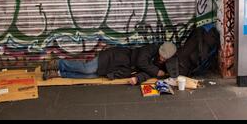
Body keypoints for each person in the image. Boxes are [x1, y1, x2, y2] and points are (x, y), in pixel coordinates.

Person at [42, 41, 178, 85]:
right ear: (160, 50)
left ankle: (58, 73)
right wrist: (156, 71)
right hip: (114, 58)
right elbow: (141, 62)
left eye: (164, 58)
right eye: (161, 56)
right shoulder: (150, 48)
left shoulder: (162, 64)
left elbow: (147, 73)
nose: (162, 59)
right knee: (87, 69)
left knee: (90, 77)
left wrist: (138, 78)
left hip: (120, 70)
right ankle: (57, 63)